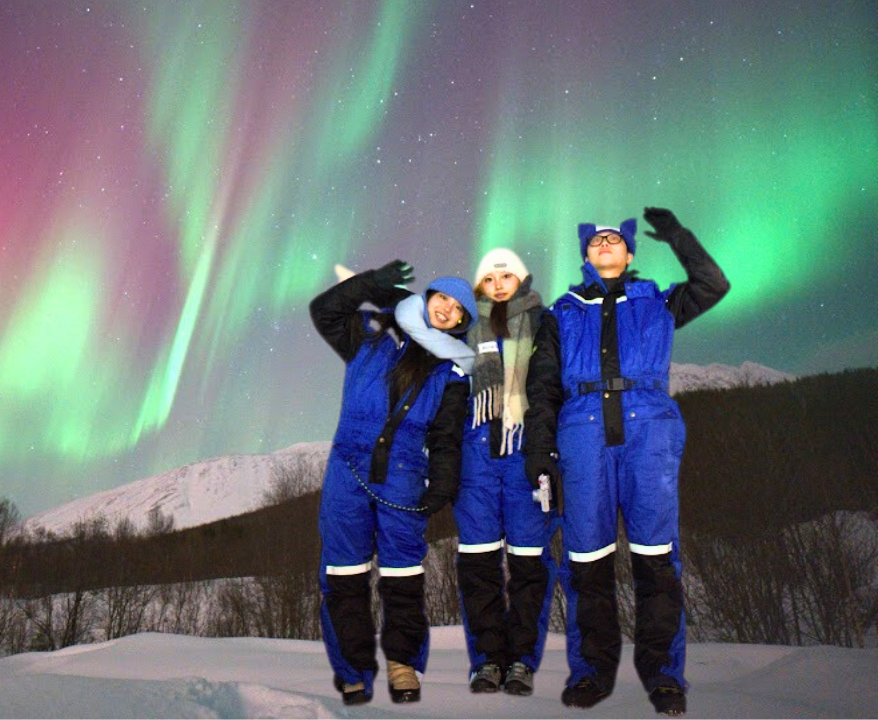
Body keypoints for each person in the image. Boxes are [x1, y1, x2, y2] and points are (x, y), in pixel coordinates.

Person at [524, 208, 730, 716]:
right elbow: (543, 386)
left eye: (615, 240)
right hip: (583, 435)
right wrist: (540, 450)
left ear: (630, 253)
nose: (606, 246)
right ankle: (591, 671)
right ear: (586, 255)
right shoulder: (561, 313)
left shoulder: (657, 301)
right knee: (587, 563)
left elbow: (713, 283)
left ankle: (663, 674)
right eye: (597, 242)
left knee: (655, 558)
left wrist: (680, 237)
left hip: (649, 432)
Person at [309, 259, 478, 706]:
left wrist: (443, 483)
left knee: (403, 575)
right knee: (344, 574)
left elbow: (446, 438)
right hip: (346, 469)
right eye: (441, 297)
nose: (446, 309)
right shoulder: (372, 334)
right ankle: (353, 670)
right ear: (425, 299)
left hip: (403, 477)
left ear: (462, 322)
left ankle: (404, 663)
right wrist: (369, 284)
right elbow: (324, 311)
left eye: (457, 308)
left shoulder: (452, 372)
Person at [453, 248, 557, 697]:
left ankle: (520, 660)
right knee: (478, 566)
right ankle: (487, 660)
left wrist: (545, 450)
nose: (498, 283)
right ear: (479, 285)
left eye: (506, 275)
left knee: (529, 563)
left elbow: (549, 382)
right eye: (489, 278)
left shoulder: (541, 322)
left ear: (521, 280)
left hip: (523, 448)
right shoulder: (460, 326)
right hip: (474, 454)